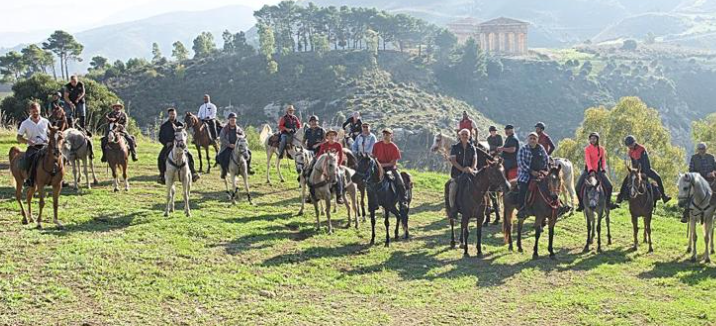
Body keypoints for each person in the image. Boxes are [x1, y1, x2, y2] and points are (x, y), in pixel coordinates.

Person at [617, 135, 671, 204]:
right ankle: (621, 197)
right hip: (637, 171)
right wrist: (635, 172)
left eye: (630, 145)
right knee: (626, 180)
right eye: (628, 146)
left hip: (646, 170)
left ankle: (664, 196)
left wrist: (644, 173)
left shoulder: (641, 149)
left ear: (634, 142)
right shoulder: (630, 152)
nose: (630, 147)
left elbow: (646, 163)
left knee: (658, 178)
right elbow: (633, 163)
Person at [575, 132, 617, 212]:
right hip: (588, 171)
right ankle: (581, 205)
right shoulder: (587, 149)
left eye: (594, 138)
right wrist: (590, 170)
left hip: (598, 171)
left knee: (609, 186)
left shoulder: (601, 149)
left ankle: (608, 204)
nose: (592, 140)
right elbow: (588, 160)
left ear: (597, 139)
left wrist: (603, 168)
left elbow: (603, 160)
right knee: (577, 188)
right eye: (591, 138)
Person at [157, 108, 200, 184]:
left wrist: (183, 143)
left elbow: (185, 135)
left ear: (175, 114)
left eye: (173, 114)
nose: (172, 115)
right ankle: (162, 175)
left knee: (189, 156)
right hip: (169, 145)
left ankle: (193, 173)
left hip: (180, 146)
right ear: (169, 115)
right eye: (171, 114)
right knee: (161, 157)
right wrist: (166, 143)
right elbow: (160, 137)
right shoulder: (164, 126)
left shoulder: (180, 125)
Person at [516, 132, 550, 218]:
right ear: (528, 139)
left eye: (534, 138)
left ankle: (553, 205)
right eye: (531, 138)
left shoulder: (541, 148)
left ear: (537, 140)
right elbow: (521, 163)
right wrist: (531, 171)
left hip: (540, 173)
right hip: (526, 174)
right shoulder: (523, 149)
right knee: (523, 189)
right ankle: (522, 208)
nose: (532, 140)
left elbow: (546, 159)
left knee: (550, 187)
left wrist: (544, 170)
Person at [17, 102, 51, 187]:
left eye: (37, 111)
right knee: (30, 159)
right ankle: (30, 180)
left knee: (55, 157)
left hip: (44, 145)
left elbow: (51, 134)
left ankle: (57, 178)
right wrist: (28, 141)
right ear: (30, 112)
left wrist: (49, 139)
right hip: (33, 147)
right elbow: (18, 137)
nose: (35, 113)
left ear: (40, 110)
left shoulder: (45, 121)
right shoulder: (25, 123)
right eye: (33, 111)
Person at [372, 128, 408, 204]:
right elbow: (373, 157)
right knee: (368, 179)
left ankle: (403, 198)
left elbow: (393, 163)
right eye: (384, 134)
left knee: (399, 180)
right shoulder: (376, 145)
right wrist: (377, 165)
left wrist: (381, 165)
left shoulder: (394, 147)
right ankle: (372, 201)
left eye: (387, 135)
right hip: (378, 168)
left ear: (391, 136)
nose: (385, 136)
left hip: (390, 168)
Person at [448, 129, 478, 218]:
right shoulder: (455, 147)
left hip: (470, 173)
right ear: (460, 136)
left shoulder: (472, 147)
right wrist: (462, 169)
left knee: (482, 185)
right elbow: (453, 161)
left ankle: (487, 207)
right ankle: (453, 209)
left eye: (466, 134)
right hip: (457, 174)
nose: (465, 136)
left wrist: (471, 169)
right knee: (452, 189)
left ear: (469, 136)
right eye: (463, 134)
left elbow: (474, 160)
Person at [683, 142, 716, 222]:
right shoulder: (694, 158)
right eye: (700, 149)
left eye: (703, 149)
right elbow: (691, 170)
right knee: (688, 190)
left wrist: (713, 173)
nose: (702, 150)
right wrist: (704, 174)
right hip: (698, 179)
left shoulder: (711, 157)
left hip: (711, 179)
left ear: (706, 149)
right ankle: (686, 213)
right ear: (698, 150)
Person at [218, 113, 254, 179]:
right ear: (229, 120)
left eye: (234, 120)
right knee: (221, 157)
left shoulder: (239, 129)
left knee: (249, 153)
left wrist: (241, 144)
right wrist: (229, 144)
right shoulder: (224, 129)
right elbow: (222, 139)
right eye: (231, 120)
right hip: (228, 147)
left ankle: (248, 168)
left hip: (238, 147)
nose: (233, 121)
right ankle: (224, 171)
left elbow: (243, 137)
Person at [317, 129, 346, 204]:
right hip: (325, 165)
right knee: (315, 174)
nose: (331, 137)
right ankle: (313, 193)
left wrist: (337, 165)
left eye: (333, 135)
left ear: (335, 137)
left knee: (338, 176)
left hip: (335, 165)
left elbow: (341, 156)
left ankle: (339, 196)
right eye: (330, 135)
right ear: (327, 137)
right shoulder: (324, 145)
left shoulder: (338, 145)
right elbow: (320, 155)